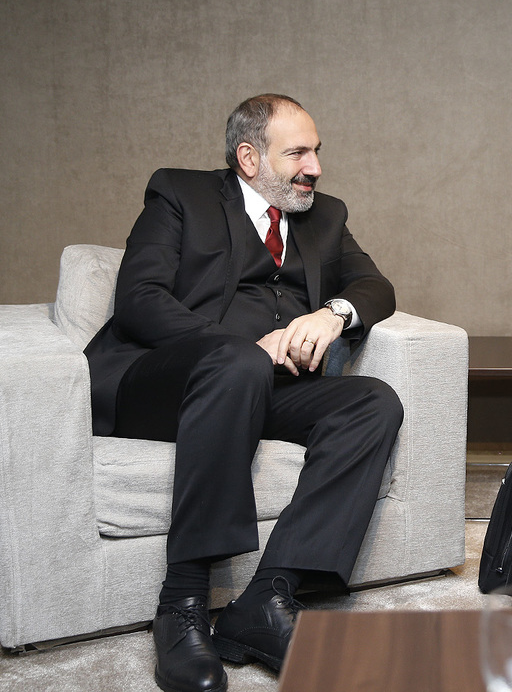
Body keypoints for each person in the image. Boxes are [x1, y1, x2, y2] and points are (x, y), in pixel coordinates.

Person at [84, 94, 403, 692]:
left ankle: (266, 599)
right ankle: (181, 604)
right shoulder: (180, 194)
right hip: (163, 383)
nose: (315, 167)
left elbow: (375, 286)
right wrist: (244, 347)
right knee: (236, 364)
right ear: (249, 158)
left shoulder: (325, 216)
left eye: (316, 152)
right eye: (298, 153)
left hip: (264, 389)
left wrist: (332, 314)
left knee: (373, 402)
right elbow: (140, 300)